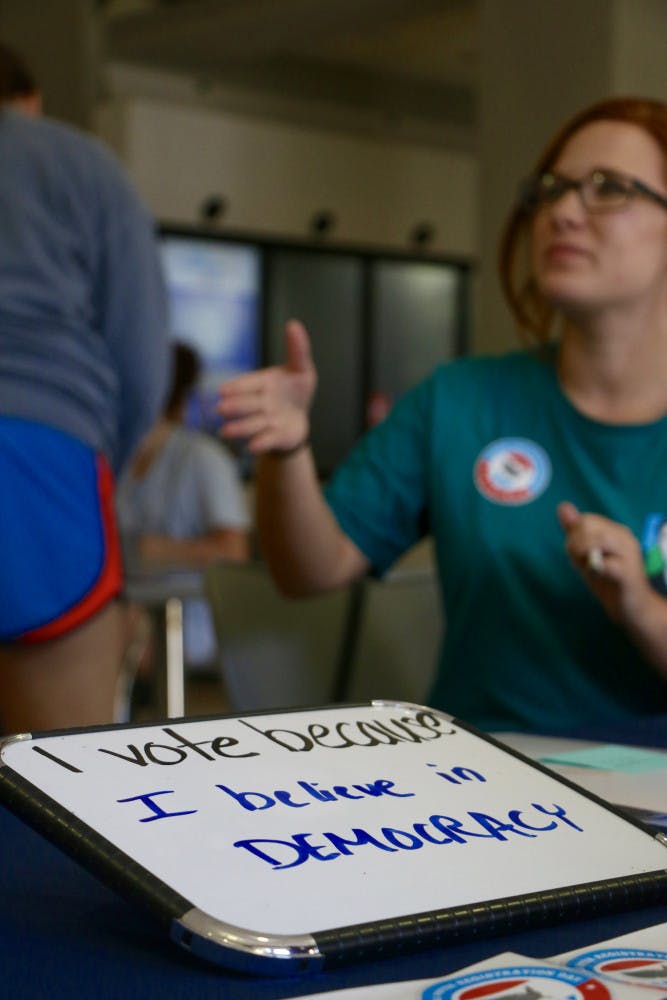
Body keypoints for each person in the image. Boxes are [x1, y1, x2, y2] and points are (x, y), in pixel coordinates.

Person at [218, 95, 667, 735]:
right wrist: (287, 452)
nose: (563, 212)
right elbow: (309, 570)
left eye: (609, 189)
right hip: (479, 792)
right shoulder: (460, 399)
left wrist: (642, 607)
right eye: (553, 189)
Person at [0, 43, 169, 732]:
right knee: (62, 786)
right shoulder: (78, 163)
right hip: (42, 460)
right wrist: (104, 458)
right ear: (29, 104)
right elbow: (140, 356)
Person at [116, 341, 250, 670]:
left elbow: (234, 550)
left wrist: (153, 549)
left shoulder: (203, 459)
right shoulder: (117, 459)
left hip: (186, 627)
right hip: (130, 612)